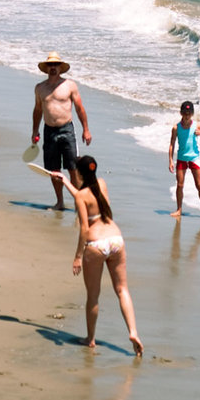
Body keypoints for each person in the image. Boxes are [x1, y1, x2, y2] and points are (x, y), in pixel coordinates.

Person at [60, 156, 143, 357]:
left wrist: (78, 256)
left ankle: (90, 339)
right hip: (116, 239)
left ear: (79, 174)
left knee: (93, 295)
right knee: (122, 290)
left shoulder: (81, 196)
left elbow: (84, 228)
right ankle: (133, 332)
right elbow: (87, 195)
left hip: (96, 244)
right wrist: (65, 182)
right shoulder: (102, 184)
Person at [32, 52, 91, 210]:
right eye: (50, 65)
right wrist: (35, 131)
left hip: (67, 130)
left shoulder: (69, 85)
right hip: (49, 131)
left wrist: (86, 129)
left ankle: (80, 204)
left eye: (56, 65)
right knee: (54, 170)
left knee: (73, 168)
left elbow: (79, 108)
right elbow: (38, 110)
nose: (53, 67)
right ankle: (60, 202)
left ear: (60, 67)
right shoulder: (40, 88)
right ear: (46, 68)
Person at [168, 101, 200, 220]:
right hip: (181, 158)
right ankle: (179, 209)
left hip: (194, 159)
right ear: (181, 113)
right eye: (185, 113)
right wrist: (170, 160)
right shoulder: (176, 128)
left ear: (192, 114)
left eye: (189, 113)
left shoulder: (197, 126)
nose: (187, 115)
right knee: (180, 185)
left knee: (198, 184)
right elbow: (172, 144)